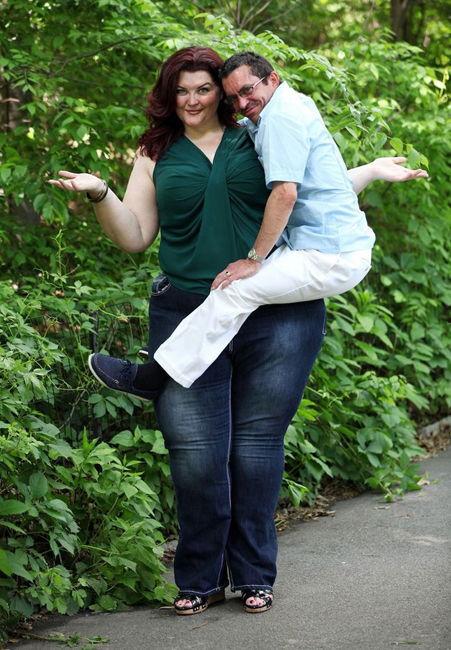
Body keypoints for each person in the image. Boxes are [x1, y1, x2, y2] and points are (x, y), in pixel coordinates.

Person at [49, 47, 426, 615]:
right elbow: (134, 237)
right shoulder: (155, 152)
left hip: (276, 317)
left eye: (205, 89)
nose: (193, 100)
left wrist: (370, 171)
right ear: (168, 95)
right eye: (182, 90)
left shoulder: (255, 132)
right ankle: (199, 579)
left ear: (223, 93)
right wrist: (101, 192)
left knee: (255, 449)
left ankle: (254, 576)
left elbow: (306, 191)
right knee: (196, 456)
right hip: (186, 310)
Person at [86, 52, 427, 395]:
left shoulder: (279, 121)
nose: (242, 103)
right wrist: (372, 170)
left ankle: (151, 378)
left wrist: (253, 259)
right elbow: (323, 190)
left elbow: (286, 195)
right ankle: (174, 357)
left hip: (329, 254)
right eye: (233, 97)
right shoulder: (289, 109)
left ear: (273, 79)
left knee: (235, 288)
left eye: (247, 90)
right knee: (236, 292)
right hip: (329, 248)